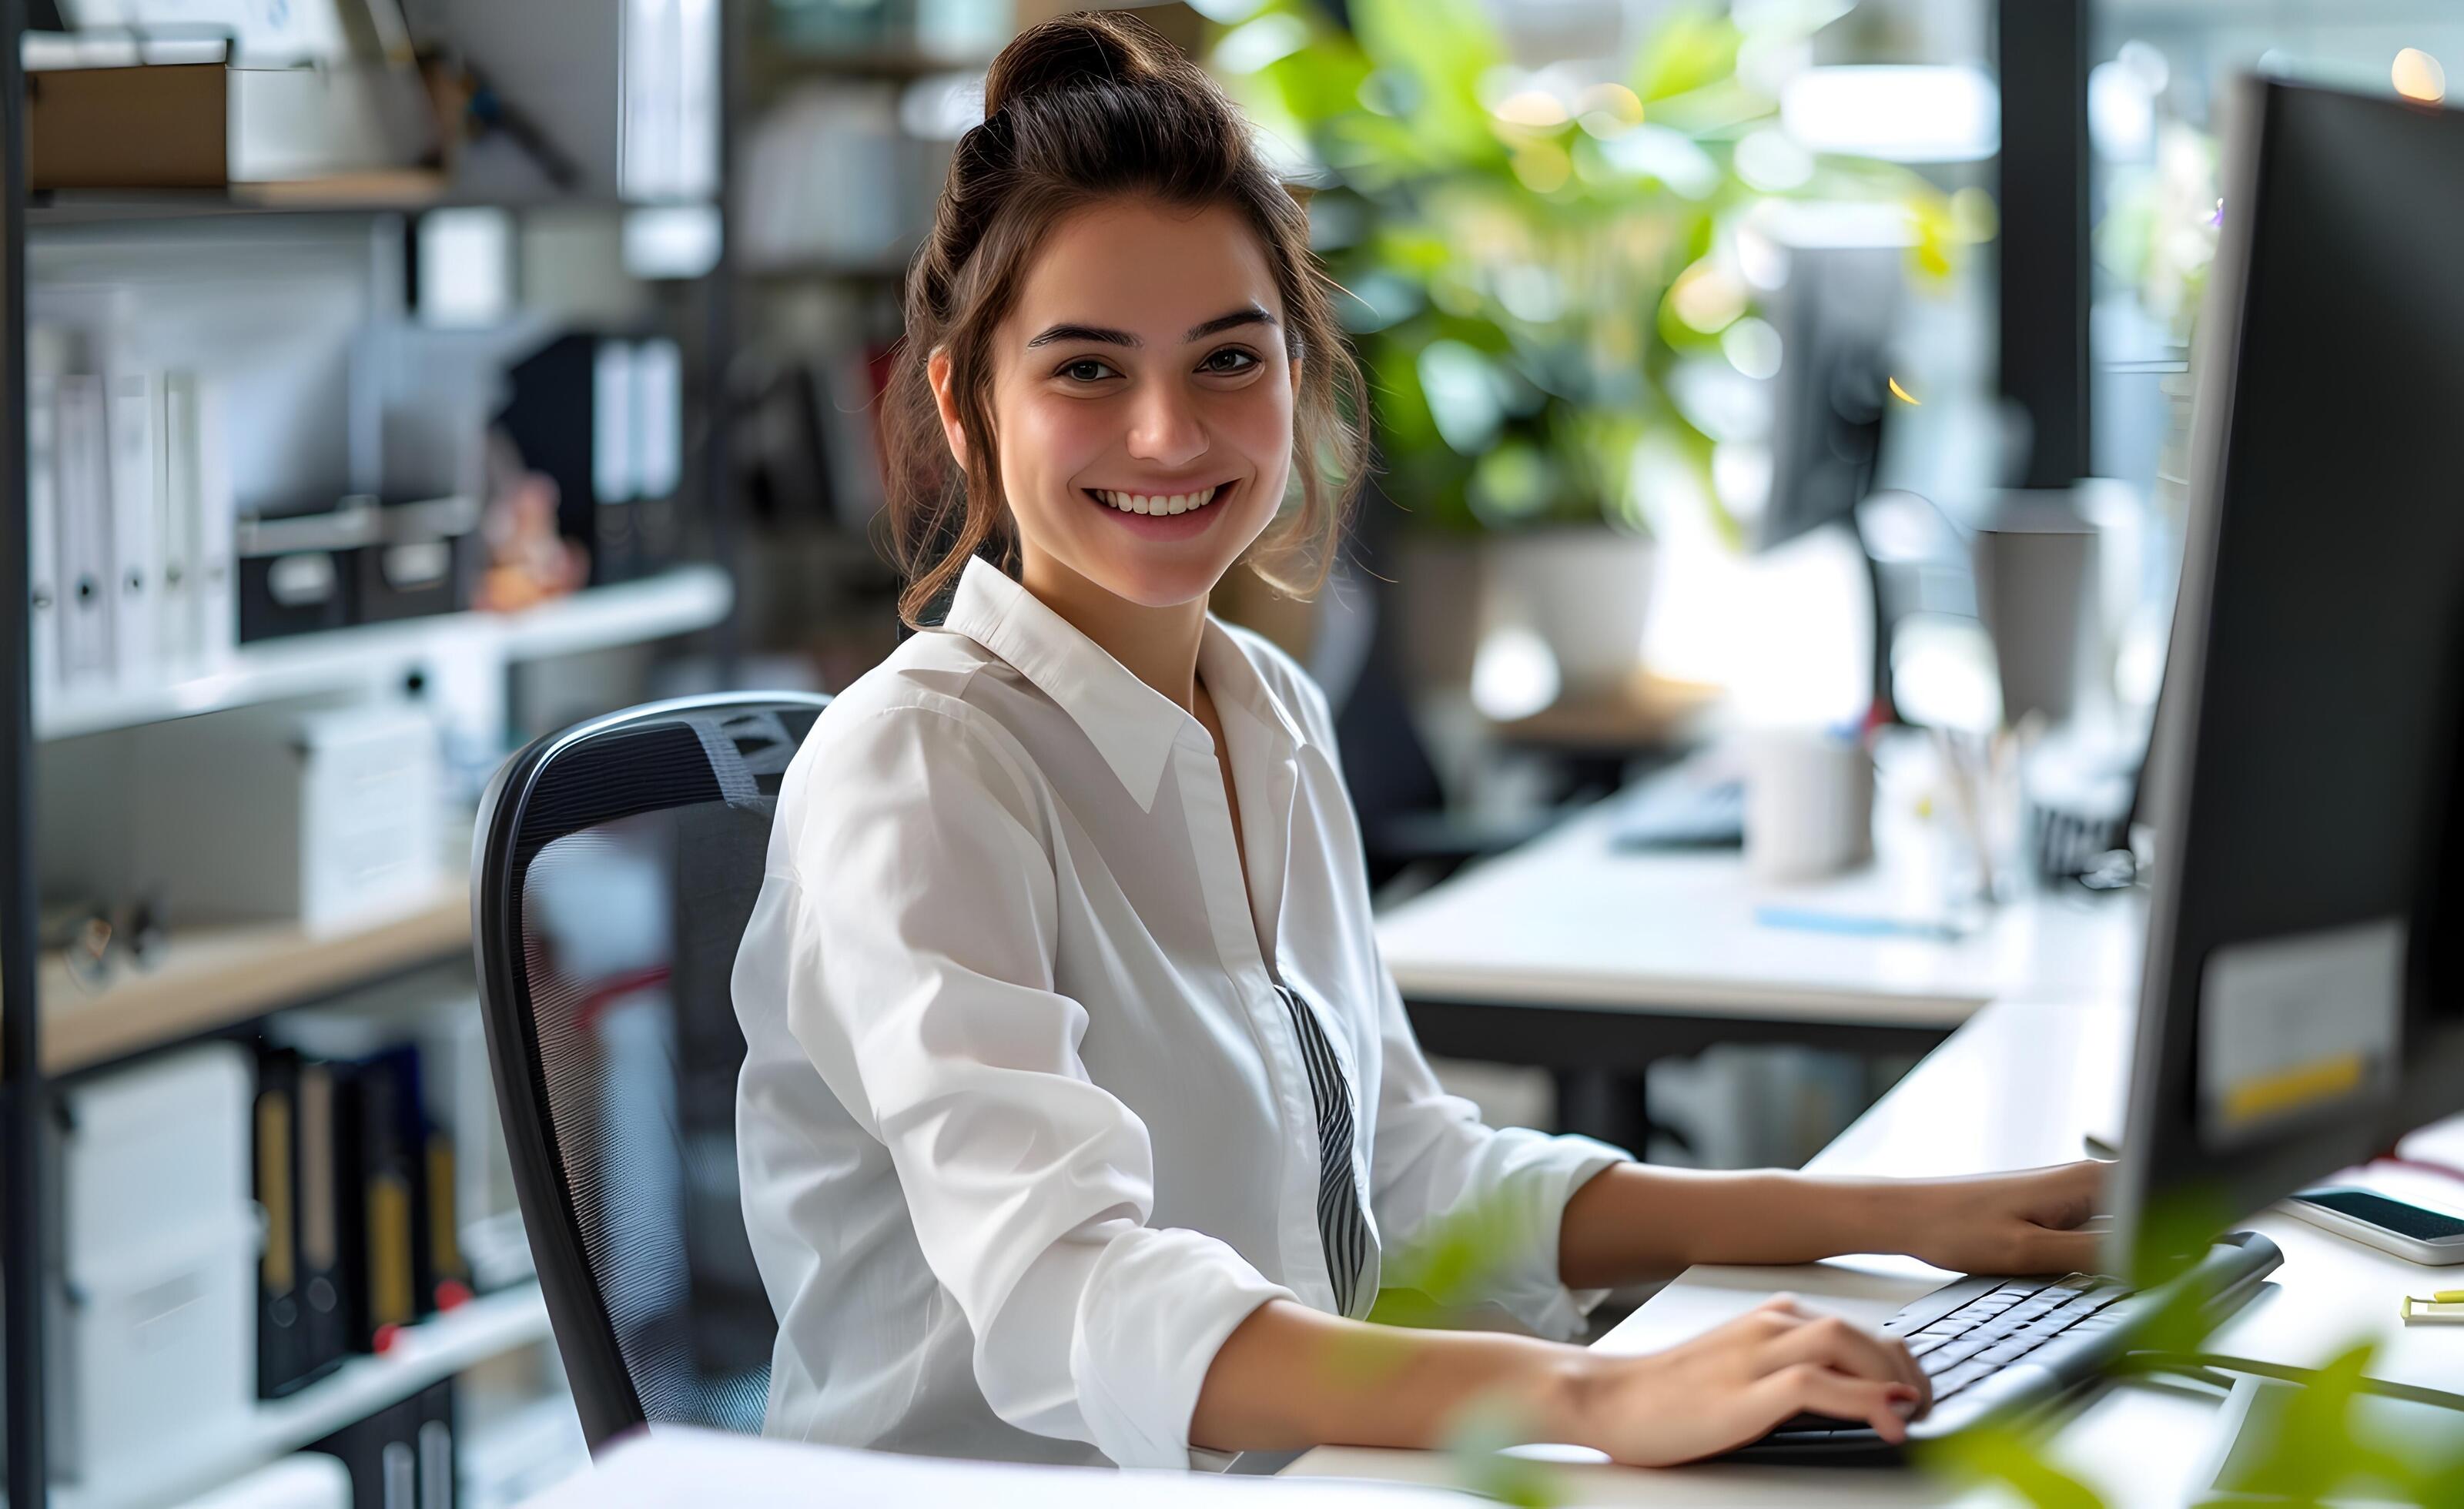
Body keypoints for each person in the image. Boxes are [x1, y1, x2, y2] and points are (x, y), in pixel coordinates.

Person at [729, 10, 2105, 1474]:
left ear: (1298, 378)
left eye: (1225, 360)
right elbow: (1069, 1284)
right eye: (1084, 371)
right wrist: (1592, 1399)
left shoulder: (1264, 711)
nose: (1165, 434)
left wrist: (1905, 1218)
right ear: (962, 404)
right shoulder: (922, 767)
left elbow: (1407, 1174)